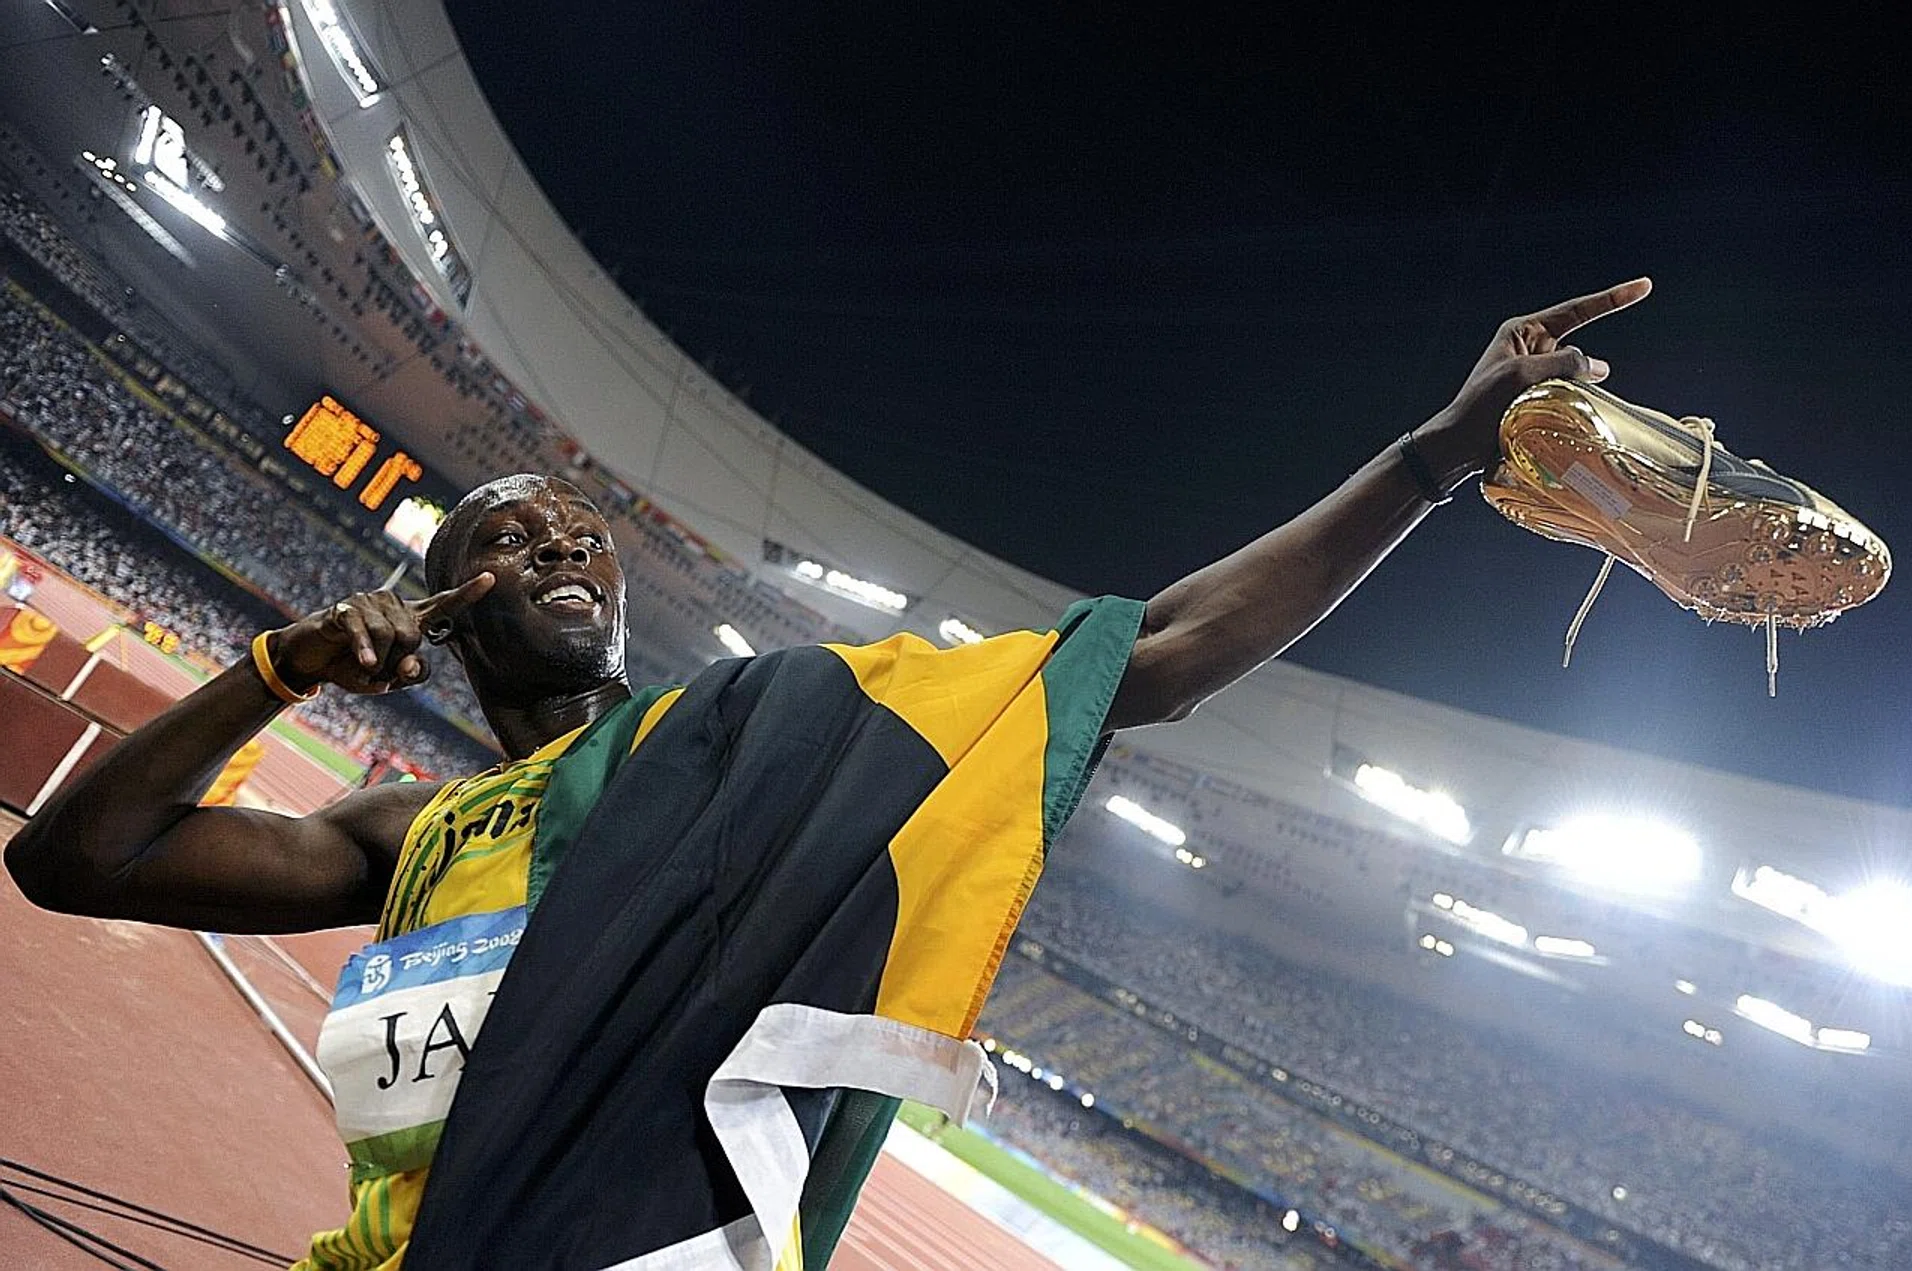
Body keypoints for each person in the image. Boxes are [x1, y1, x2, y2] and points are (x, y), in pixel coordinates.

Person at [4, 278, 1651, 1270]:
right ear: (444, 602)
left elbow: (1149, 654)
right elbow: (80, 859)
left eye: (589, 537)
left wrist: (1433, 457)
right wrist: (275, 665)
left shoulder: (750, 751)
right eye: (516, 537)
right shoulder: (408, 830)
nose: (570, 547)